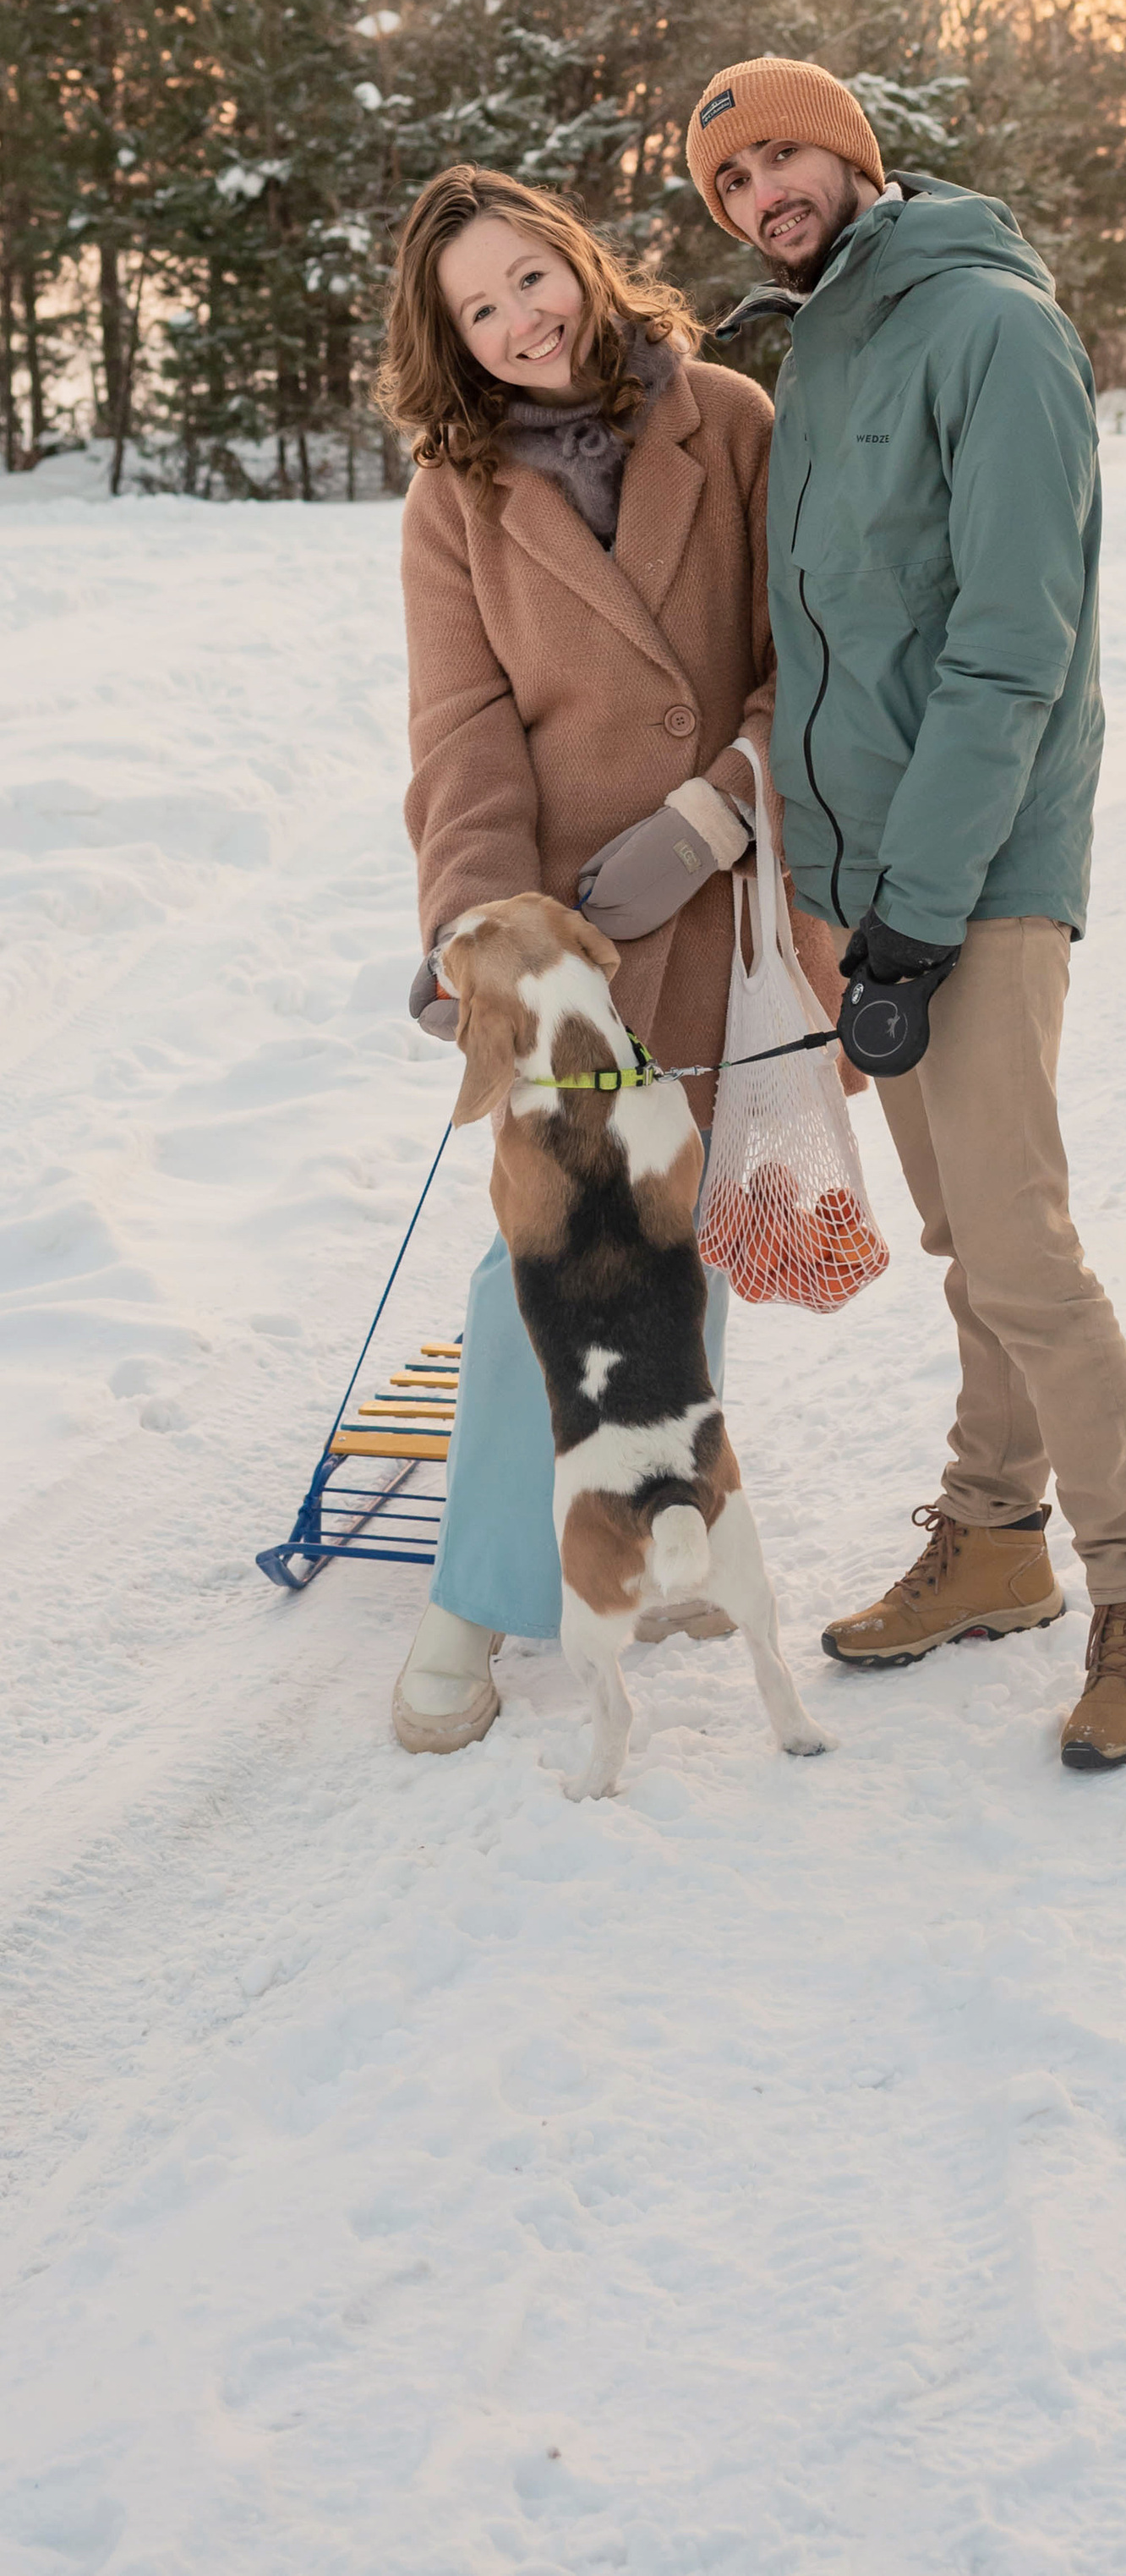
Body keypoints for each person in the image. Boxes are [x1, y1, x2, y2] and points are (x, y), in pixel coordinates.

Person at [686, 57, 1126, 1771]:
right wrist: (828, 899)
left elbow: (1010, 645)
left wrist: (914, 911)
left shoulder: (987, 327)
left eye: (784, 154)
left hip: (974, 873)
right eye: (729, 180)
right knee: (960, 1238)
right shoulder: (825, 340)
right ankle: (995, 1537)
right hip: (870, 885)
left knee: (1017, 1243)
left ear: (850, 154)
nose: (762, 191)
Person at [378, 164, 840, 1753]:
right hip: (571, 939)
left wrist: (720, 814)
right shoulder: (457, 493)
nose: (520, 320)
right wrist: (480, 921)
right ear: (450, 340)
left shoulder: (727, 416)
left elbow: (813, 657)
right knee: (567, 1254)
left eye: (531, 276)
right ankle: (479, 1594)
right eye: (479, 307)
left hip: (722, 909)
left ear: (578, 257)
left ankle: (658, 1525)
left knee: (688, 1234)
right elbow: (463, 731)